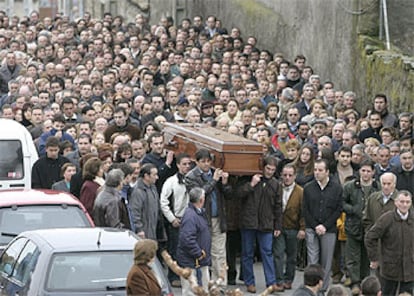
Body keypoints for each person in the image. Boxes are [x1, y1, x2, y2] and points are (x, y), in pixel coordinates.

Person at [184, 148, 232, 285]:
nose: (206, 164)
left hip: (218, 218)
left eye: (208, 161)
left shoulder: (216, 174)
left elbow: (228, 195)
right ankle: (205, 284)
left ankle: (220, 284)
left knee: (220, 254)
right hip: (203, 220)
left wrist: (224, 183)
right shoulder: (190, 177)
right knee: (203, 253)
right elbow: (199, 195)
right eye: (203, 161)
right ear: (197, 162)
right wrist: (214, 181)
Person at [238, 156, 282, 293]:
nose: (269, 172)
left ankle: (271, 282)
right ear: (263, 167)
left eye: (273, 170)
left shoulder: (276, 184)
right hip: (249, 222)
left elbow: (278, 206)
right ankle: (249, 282)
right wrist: (251, 184)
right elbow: (239, 194)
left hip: (266, 223)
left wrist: (277, 226)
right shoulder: (251, 178)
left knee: (267, 253)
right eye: (268, 169)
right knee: (247, 253)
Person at [303, 158, 343, 293]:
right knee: (312, 260)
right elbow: (305, 209)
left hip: (329, 229)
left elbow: (338, 209)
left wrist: (325, 226)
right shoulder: (308, 188)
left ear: (327, 172)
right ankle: (310, 288)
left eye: (320, 170)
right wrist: (315, 226)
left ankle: (323, 289)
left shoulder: (337, 188)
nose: (317, 173)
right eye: (315, 170)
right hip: (311, 228)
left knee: (326, 261)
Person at [365, 190, 414, 296]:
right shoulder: (387, 219)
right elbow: (370, 237)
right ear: (396, 202)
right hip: (390, 269)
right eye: (402, 201)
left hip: (409, 269)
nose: (404, 205)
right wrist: (374, 258)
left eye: (407, 202)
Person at [342, 160, 380, 295]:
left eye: (368, 171)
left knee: (366, 256)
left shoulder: (377, 187)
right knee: (352, 256)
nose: (365, 173)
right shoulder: (350, 186)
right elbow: (342, 202)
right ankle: (354, 282)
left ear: (373, 172)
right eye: (363, 170)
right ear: (359, 171)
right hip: (353, 225)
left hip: (370, 228)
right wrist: (353, 209)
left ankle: (365, 282)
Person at [160, 153, 192, 287]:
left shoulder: (193, 179)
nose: (187, 167)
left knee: (189, 249)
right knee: (175, 249)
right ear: (178, 165)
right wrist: (172, 219)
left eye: (188, 164)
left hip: (190, 219)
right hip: (177, 220)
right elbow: (163, 201)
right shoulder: (171, 182)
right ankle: (173, 276)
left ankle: (188, 274)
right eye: (184, 164)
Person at [273, 163, 305, 291]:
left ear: (295, 176)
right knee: (278, 254)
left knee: (292, 256)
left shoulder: (300, 192)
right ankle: (279, 280)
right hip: (279, 227)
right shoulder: (277, 188)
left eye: (290, 175)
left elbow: (304, 212)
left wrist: (302, 228)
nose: (287, 178)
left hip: (293, 227)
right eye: (285, 175)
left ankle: (288, 279)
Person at [177, 187, 211, 295]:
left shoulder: (196, 213)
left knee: (203, 290)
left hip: (199, 261)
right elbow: (187, 239)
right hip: (192, 261)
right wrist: (199, 253)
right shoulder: (191, 216)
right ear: (201, 200)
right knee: (190, 292)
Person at [130, 163, 160, 240]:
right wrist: (139, 229)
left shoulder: (153, 188)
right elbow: (135, 212)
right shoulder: (138, 191)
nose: (157, 177)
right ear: (146, 176)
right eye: (154, 175)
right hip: (144, 233)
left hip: (153, 230)